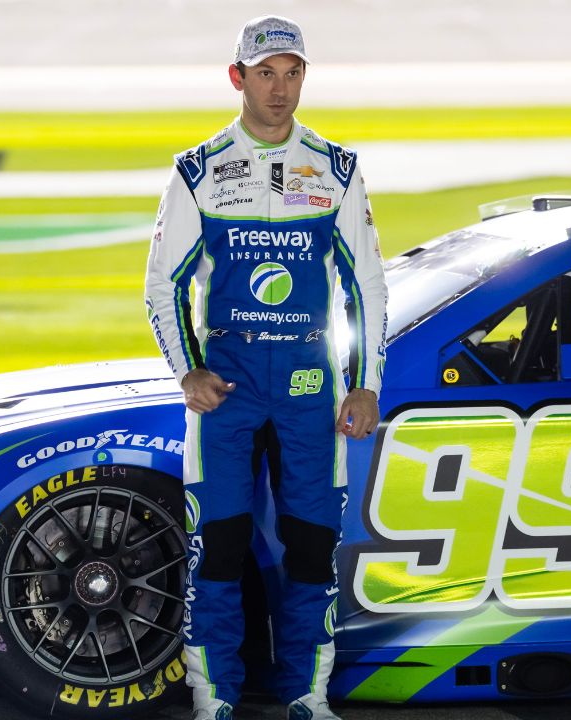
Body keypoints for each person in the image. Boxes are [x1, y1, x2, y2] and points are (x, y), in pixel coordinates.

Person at [143, 14, 387, 720]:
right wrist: (188, 369)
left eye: (292, 73)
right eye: (266, 74)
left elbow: (367, 284)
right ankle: (211, 698)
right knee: (216, 550)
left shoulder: (337, 167)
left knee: (312, 552)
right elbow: (162, 283)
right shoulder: (199, 169)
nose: (280, 90)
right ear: (238, 78)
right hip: (229, 390)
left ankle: (307, 696)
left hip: (313, 390)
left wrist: (367, 382)